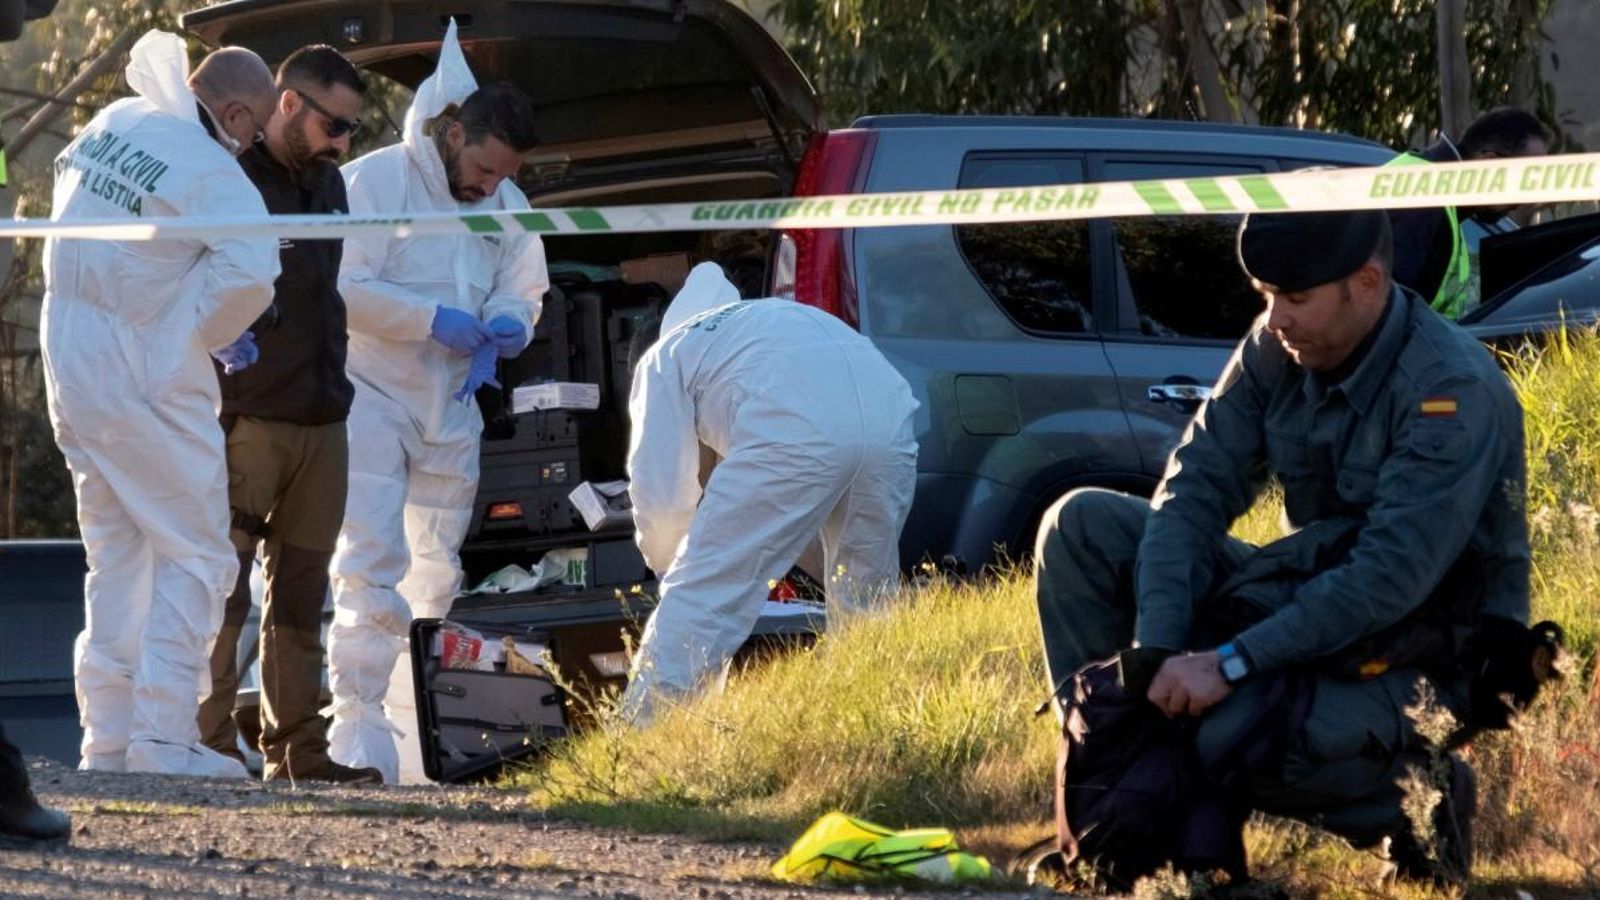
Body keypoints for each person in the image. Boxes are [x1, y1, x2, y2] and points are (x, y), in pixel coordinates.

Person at [1033, 209, 1529, 883]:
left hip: (1427, 649)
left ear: (1367, 282)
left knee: (1231, 731)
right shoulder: (1281, 342)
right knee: (1080, 528)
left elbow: (1386, 580)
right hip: (1306, 594)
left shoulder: (1450, 389)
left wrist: (1229, 665)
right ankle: (1124, 802)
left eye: (1295, 298)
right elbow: (1194, 490)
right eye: (1265, 296)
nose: (1276, 318)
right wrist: (1156, 656)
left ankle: (1424, 795)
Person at [42, 30, 280, 778]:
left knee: (117, 556)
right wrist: (197, 331)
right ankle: (164, 738)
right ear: (238, 114)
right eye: (257, 129)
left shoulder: (114, 121)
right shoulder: (215, 172)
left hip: (70, 362)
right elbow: (250, 276)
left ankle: (107, 741)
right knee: (199, 554)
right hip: (143, 372)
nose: (252, 145)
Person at [326, 22, 547, 785]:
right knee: (369, 565)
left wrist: (512, 322)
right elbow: (343, 286)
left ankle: (414, 739)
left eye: (501, 176)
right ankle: (356, 739)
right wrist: (429, 320)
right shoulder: (376, 183)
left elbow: (524, 278)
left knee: (435, 575)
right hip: (374, 396)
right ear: (453, 133)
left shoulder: (506, 198)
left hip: (452, 406)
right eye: (483, 168)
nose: (489, 187)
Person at [619, 263, 919, 724]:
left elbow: (659, 496)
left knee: (700, 595)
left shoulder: (665, 357)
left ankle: (644, 742)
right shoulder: (773, 320)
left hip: (795, 430)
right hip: (890, 423)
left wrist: (672, 564)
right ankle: (879, 724)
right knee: (866, 596)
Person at [195, 45, 381, 786]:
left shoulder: (331, 183)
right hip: (247, 416)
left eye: (352, 132)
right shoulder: (230, 175)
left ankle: (299, 752)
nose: (343, 143)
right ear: (290, 104)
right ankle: (201, 747)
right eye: (336, 125)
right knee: (222, 589)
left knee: (302, 598)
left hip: (324, 415)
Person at [1387, 107, 1550, 319]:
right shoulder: (1421, 200)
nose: (1527, 200)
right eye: (1525, 181)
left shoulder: (1434, 194)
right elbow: (1387, 318)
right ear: (1490, 164)